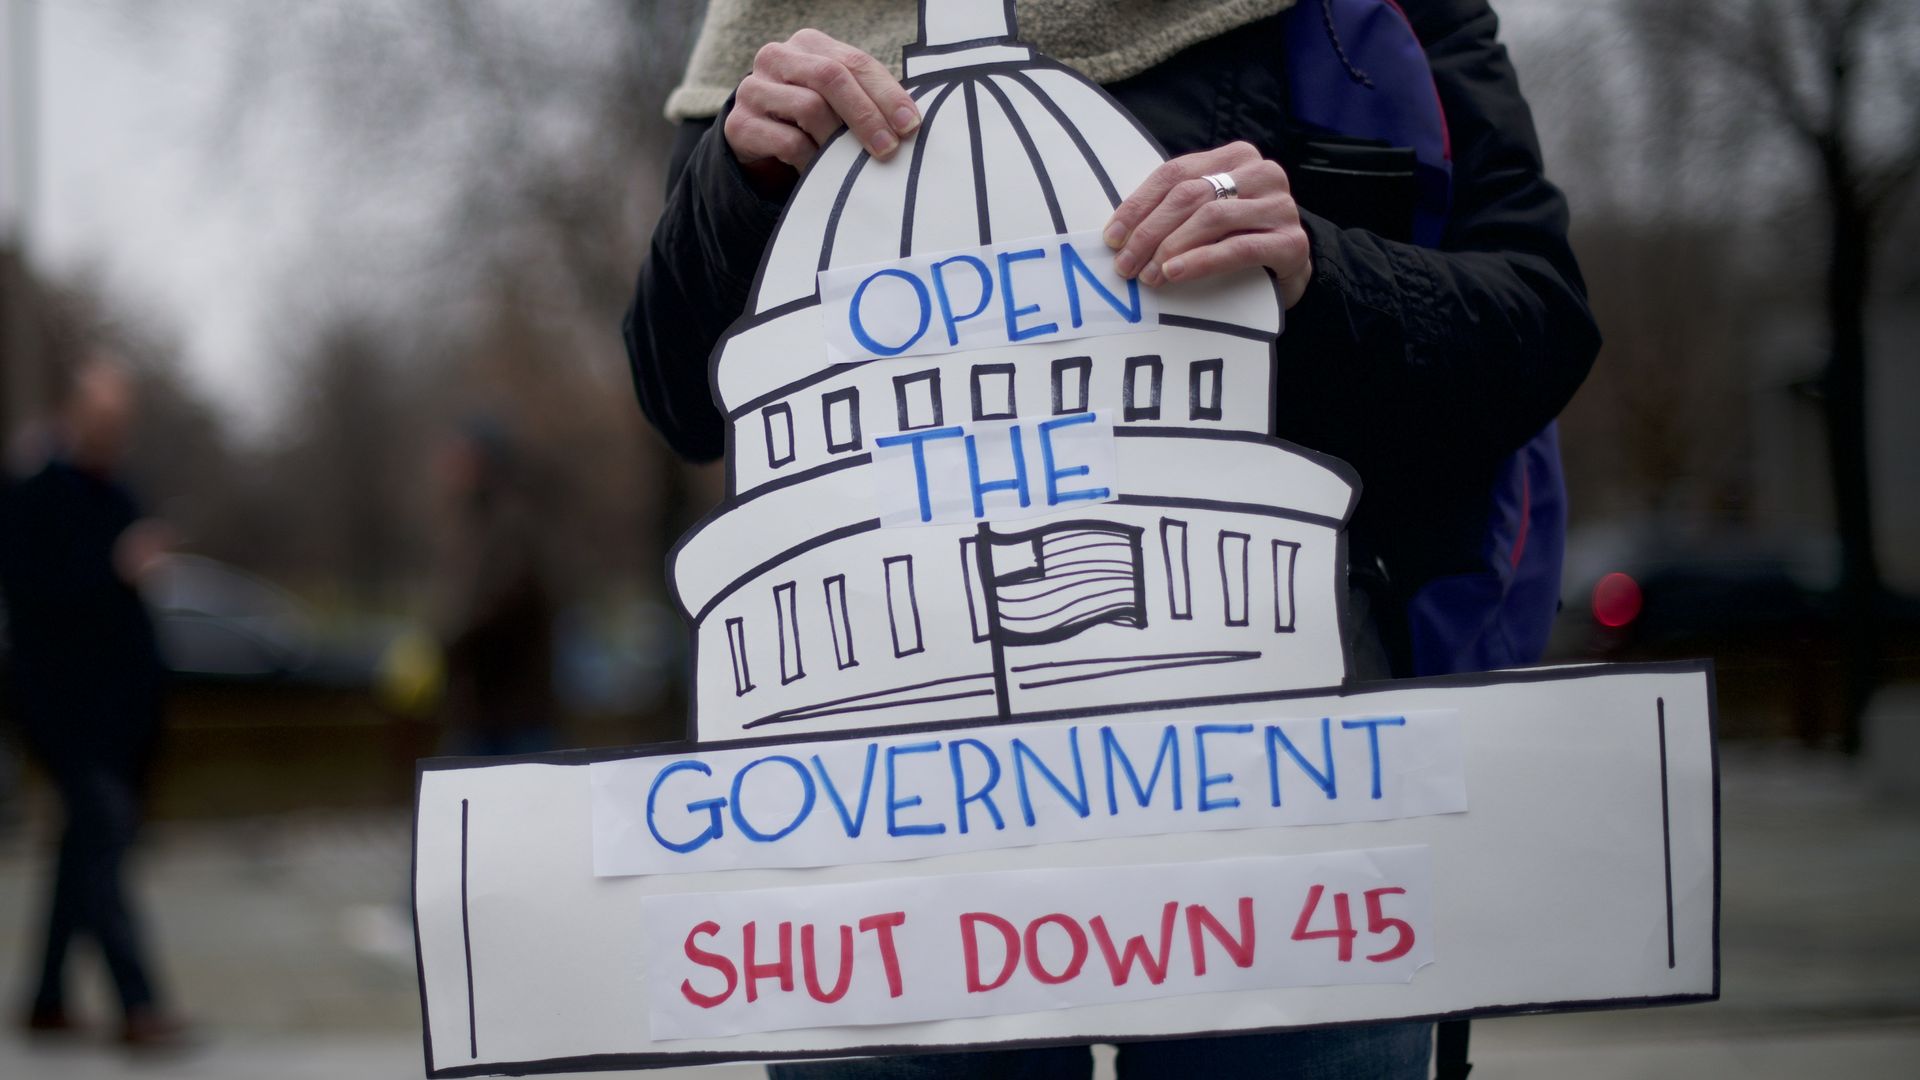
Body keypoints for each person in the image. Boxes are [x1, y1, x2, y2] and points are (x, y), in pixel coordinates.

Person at [622, 1, 1598, 1075]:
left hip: (1287, 808)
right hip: (892, 837)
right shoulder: (775, 24)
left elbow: (1539, 323)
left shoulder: (1365, 13)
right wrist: (734, 181)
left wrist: (1320, 271)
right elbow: (681, 396)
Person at [0, 358, 190, 1049]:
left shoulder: (122, 493)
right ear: (75, 415)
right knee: (102, 844)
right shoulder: (33, 493)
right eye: (103, 419)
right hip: (60, 709)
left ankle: (45, 1001)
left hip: (118, 714)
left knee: (80, 849)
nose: (113, 433)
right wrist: (114, 570)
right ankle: (138, 1004)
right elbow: (32, 596)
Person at [429, 416, 558, 758]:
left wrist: (447, 644)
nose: (452, 465)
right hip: (479, 712)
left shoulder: (512, 522)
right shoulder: (470, 522)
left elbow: (507, 601)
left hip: (513, 713)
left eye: (463, 455)